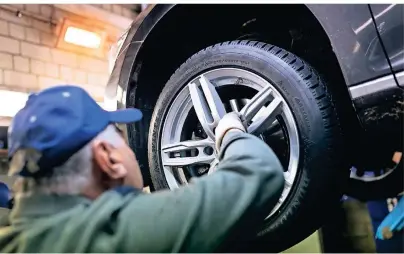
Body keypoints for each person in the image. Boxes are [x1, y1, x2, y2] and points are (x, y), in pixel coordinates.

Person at [0, 85, 284, 252]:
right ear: (107, 159)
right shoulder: (114, 235)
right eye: (122, 140)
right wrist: (230, 131)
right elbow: (259, 172)